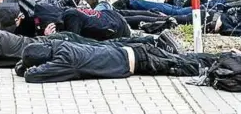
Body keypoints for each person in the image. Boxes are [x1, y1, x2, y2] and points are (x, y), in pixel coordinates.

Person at [0, 27, 181, 70]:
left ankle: (150, 42)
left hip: (55, 45)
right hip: (54, 42)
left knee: (106, 46)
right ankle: (149, 42)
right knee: (104, 46)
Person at [18, 40, 221, 83]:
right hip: (134, 49)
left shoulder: (64, 61)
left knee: (189, 67)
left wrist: (25, 69)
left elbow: (33, 77)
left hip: (140, 62)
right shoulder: (60, 45)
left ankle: (224, 63)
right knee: (184, 58)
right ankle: (221, 57)